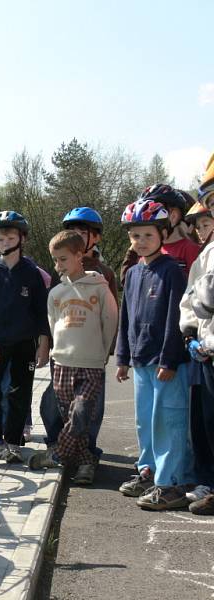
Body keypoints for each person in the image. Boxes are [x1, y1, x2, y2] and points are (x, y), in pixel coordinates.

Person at [115, 198, 193, 510]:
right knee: (145, 421)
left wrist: (169, 359)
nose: (141, 242)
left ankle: (171, 483)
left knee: (168, 421)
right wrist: (122, 357)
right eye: (135, 236)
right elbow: (125, 317)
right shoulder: (133, 273)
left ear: (162, 234)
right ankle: (148, 471)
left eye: (148, 235)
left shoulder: (173, 271)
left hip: (166, 363)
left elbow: (178, 319)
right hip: (140, 360)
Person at [28, 231, 118, 484]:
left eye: (63, 259)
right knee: (72, 419)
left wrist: (102, 353)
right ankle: (86, 464)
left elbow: (110, 321)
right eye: (55, 260)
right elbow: (53, 324)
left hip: (91, 363)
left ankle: (57, 454)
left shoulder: (99, 288)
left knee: (80, 413)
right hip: (62, 364)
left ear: (80, 256)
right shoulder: (56, 293)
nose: (58, 266)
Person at [0, 211, 50, 468]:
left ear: (21, 238)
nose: (4, 242)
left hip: (24, 343)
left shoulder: (32, 273)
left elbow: (41, 312)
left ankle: (14, 444)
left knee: (20, 392)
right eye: (0, 238)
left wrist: (43, 343)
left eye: (10, 236)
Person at [179, 154, 214, 515]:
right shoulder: (208, 255)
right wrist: (190, 332)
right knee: (206, 421)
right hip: (208, 351)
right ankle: (209, 480)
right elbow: (190, 299)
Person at [120, 184, 200, 280]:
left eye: (155, 211)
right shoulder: (150, 249)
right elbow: (128, 282)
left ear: (173, 216)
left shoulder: (189, 249)